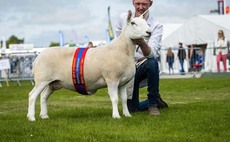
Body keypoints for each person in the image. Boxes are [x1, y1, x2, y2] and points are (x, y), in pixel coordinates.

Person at [115, 0, 168, 116]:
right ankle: (155, 101)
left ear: (150, 4)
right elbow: (117, 42)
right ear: (133, 2)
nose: (140, 7)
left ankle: (153, 105)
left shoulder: (156, 25)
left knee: (152, 62)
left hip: (142, 64)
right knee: (133, 109)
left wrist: (142, 43)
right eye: (138, 3)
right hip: (127, 66)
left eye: (144, 4)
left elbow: (152, 53)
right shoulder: (124, 18)